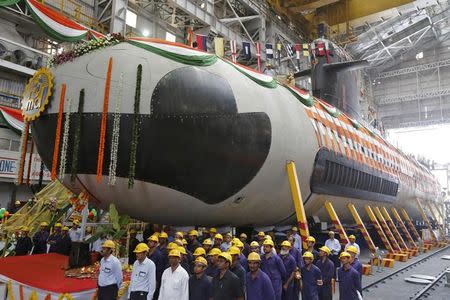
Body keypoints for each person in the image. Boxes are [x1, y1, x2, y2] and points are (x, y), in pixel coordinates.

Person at [147, 235, 164, 299]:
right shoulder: (147, 253)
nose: (149, 242)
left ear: (156, 243)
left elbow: (160, 269)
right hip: (147, 278)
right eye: (149, 241)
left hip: (154, 279)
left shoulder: (159, 255)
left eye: (151, 241)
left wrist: (157, 281)